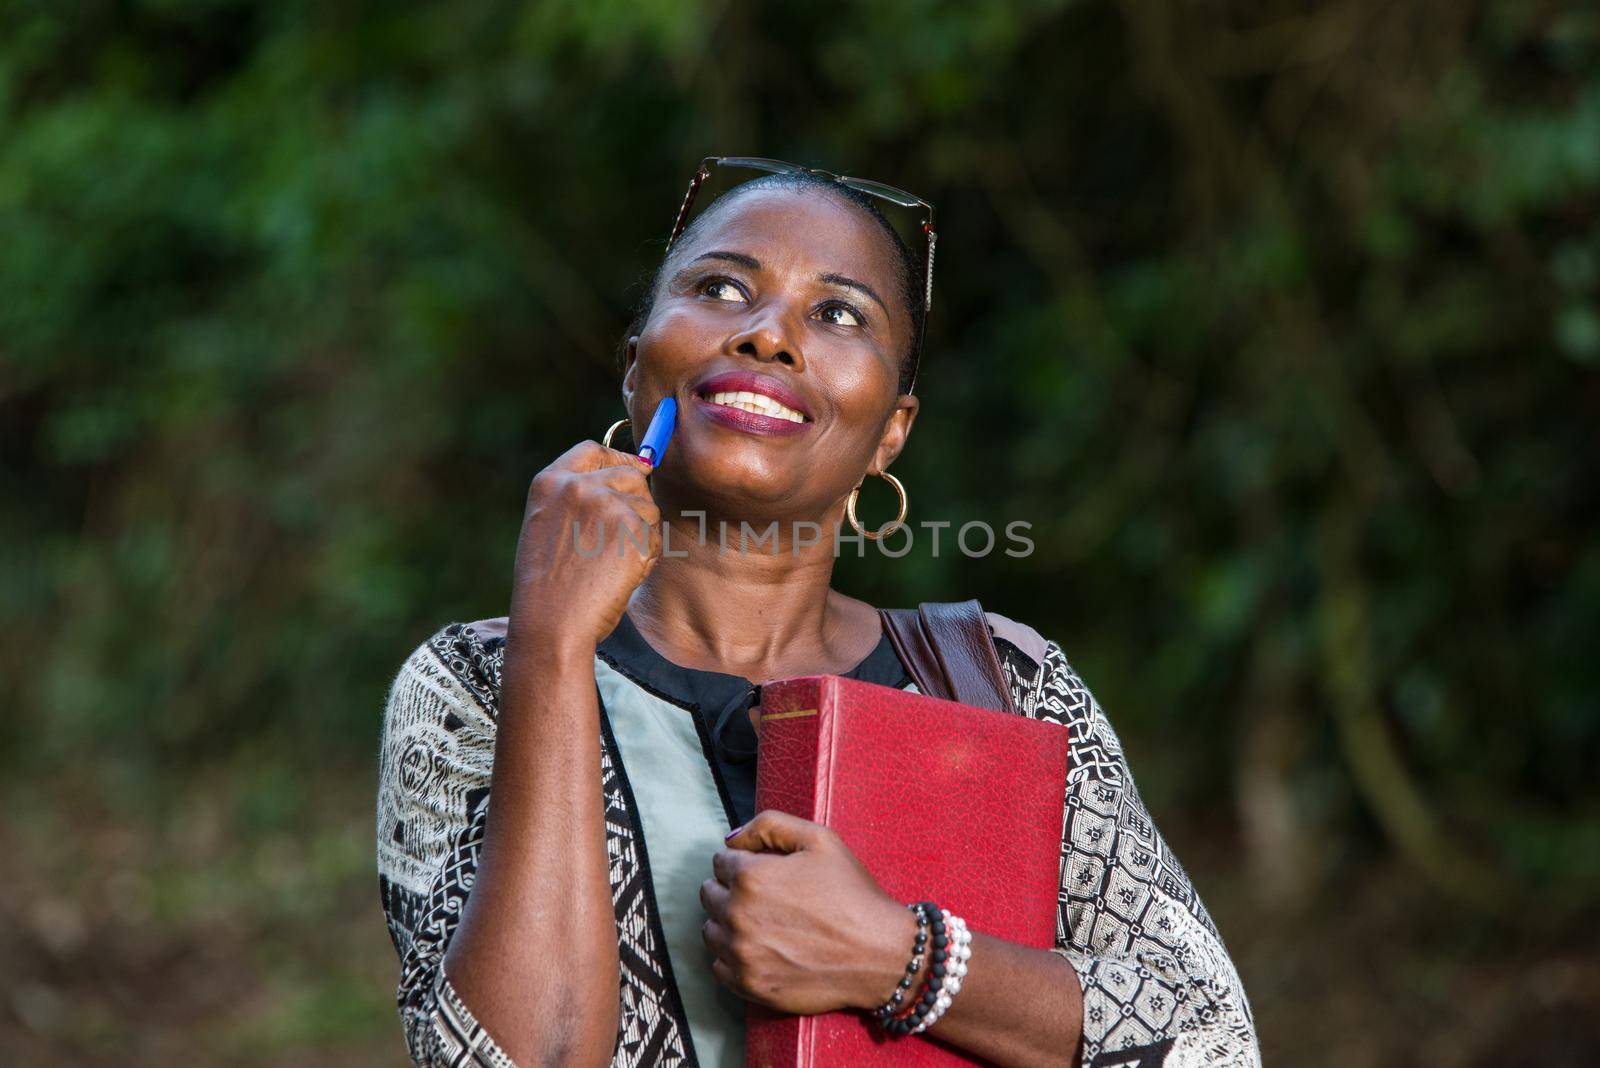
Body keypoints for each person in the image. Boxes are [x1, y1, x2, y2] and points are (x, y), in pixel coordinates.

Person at [376, 158, 1261, 1068]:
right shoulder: (474, 687)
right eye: (722, 288)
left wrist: (898, 960)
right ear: (638, 366)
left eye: (839, 313)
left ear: (890, 433)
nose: (768, 336)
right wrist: (554, 647)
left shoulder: (1004, 684)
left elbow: (1214, 1042)